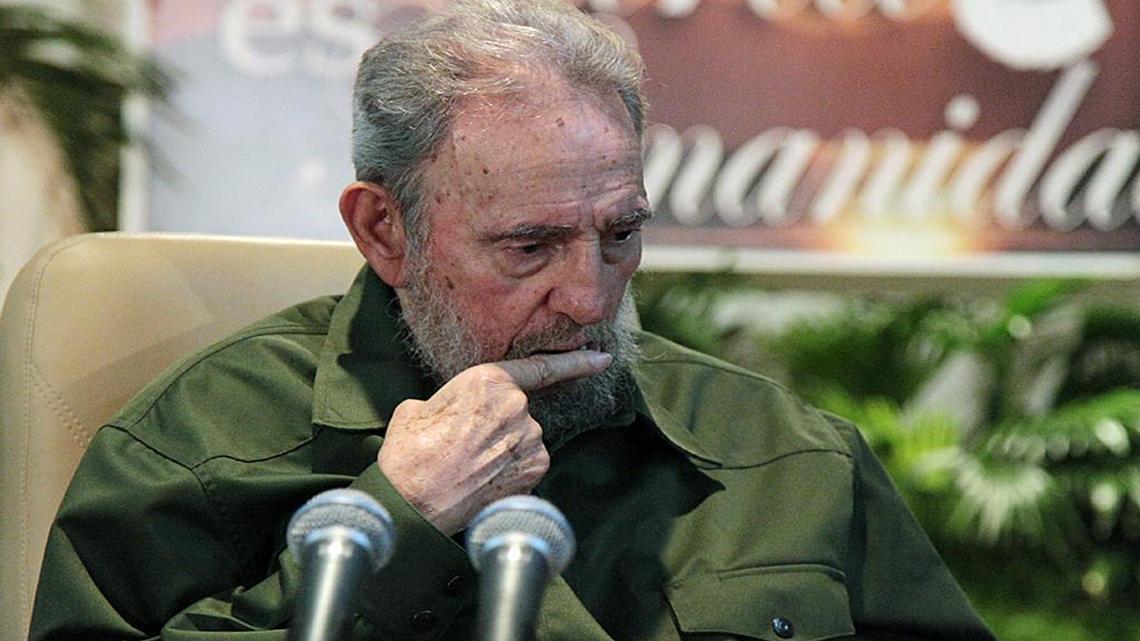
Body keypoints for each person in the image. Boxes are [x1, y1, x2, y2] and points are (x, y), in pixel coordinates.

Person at [30, 1, 996, 640]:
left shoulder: (783, 455)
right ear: (385, 230)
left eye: (620, 233)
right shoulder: (203, 449)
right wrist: (394, 523)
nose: (590, 296)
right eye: (529, 247)